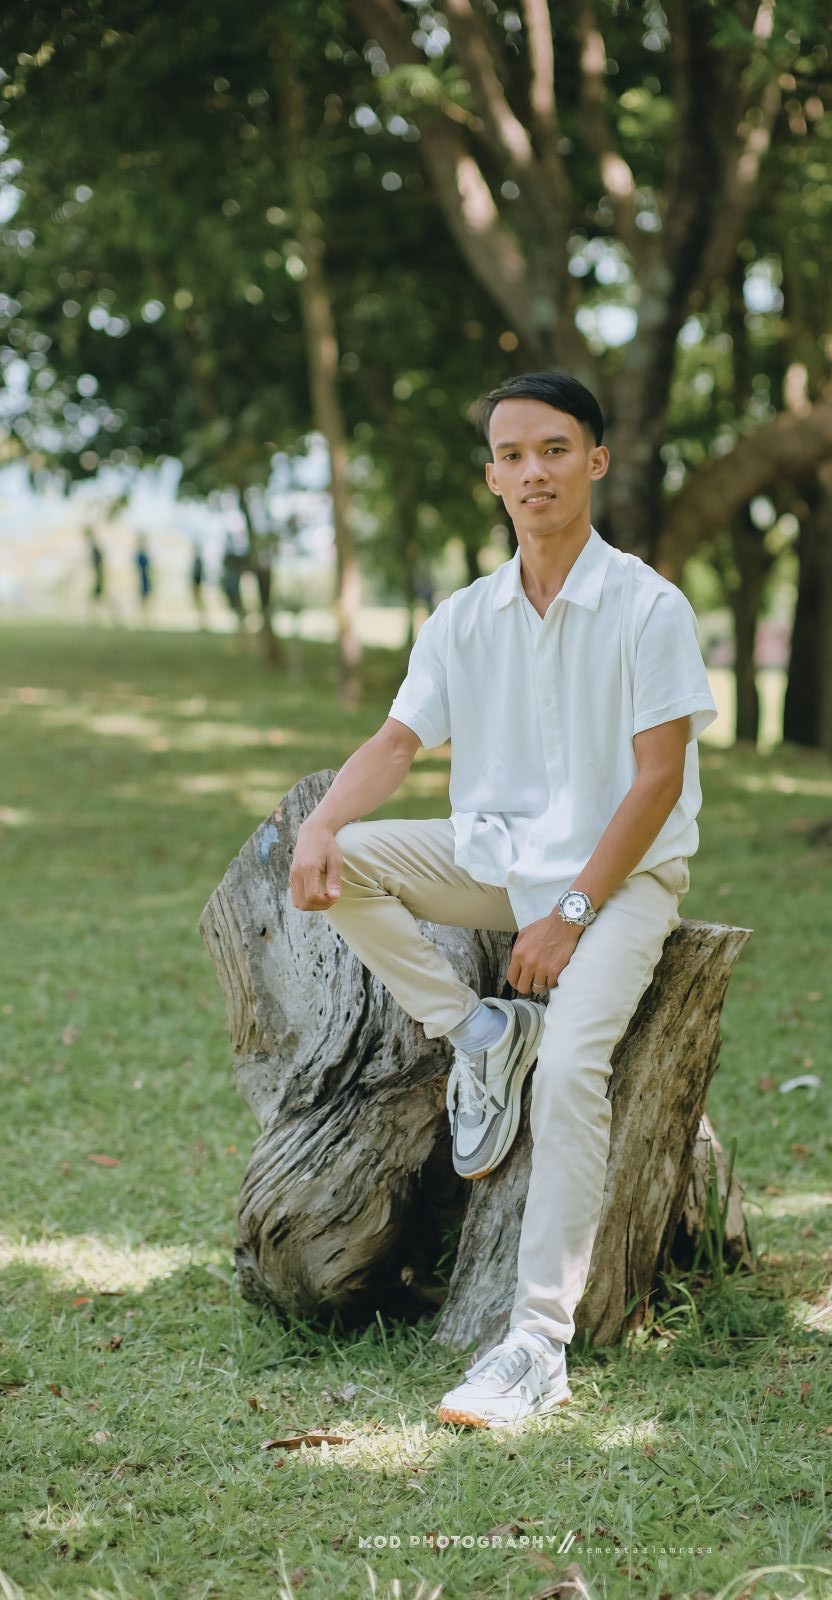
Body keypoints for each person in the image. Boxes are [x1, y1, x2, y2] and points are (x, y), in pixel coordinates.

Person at [288, 371, 717, 1430]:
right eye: (513, 455)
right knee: (346, 866)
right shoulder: (464, 617)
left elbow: (656, 781)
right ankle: (479, 1032)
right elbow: (397, 742)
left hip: (618, 879)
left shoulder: (647, 606)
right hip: (495, 858)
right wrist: (318, 826)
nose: (535, 472)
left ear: (594, 462)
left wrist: (568, 915)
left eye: (555, 450)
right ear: (491, 477)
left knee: (569, 1071)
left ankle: (536, 1343)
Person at [134, 536, 152, 617]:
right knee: (143, 596)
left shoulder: (143, 554)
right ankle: (143, 614)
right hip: (141, 578)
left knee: (145, 596)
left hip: (145, 577)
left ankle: (145, 614)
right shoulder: (140, 555)